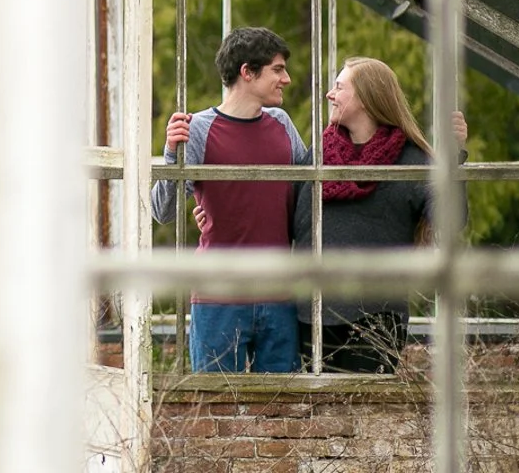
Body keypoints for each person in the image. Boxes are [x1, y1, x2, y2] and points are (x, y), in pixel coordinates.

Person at [190, 56, 468, 373]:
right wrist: (219, 214)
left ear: (367, 98)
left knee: (358, 418)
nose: (329, 94)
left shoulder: (410, 160)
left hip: (375, 320)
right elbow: (280, 208)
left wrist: (452, 159)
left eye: (339, 87)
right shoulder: (320, 156)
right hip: (310, 317)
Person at [151, 27, 310, 373]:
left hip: (279, 294)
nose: (287, 78)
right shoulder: (197, 129)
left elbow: (306, 199)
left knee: (284, 411)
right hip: (217, 296)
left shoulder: (282, 124)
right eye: (278, 69)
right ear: (247, 72)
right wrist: (170, 156)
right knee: (215, 409)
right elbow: (163, 211)